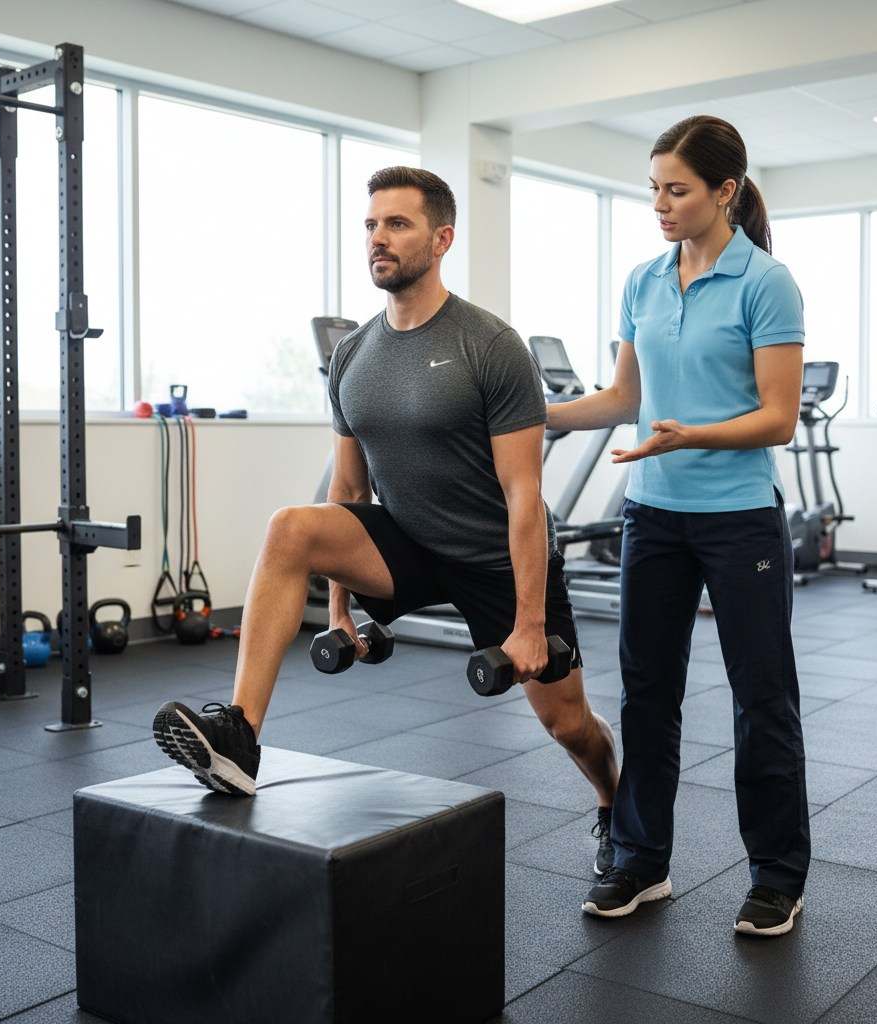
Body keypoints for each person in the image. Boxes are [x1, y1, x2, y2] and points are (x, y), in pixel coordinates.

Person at [153, 166, 620, 876]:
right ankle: (241, 735)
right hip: (408, 543)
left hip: (499, 556)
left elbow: (524, 496)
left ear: (441, 239)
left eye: (397, 225)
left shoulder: (490, 345)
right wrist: (339, 603)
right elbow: (348, 489)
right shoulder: (352, 355)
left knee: (568, 724)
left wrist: (528, 625)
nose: (379, 238)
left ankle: (617, 803)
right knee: (292, 527)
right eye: (371, 225)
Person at [549, 117, 810, 936]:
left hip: (739, 519)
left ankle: (776, 874)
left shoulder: (768, 283)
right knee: (646, 696)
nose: (660, 203)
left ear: (724, 191)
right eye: (654, 187)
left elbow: (779, 418)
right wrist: (535, 414)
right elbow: (624, 399)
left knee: (761, 699)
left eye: (678, 189)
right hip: (654, 515)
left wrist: (691, 432)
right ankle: (640, 861)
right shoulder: (642, 280)